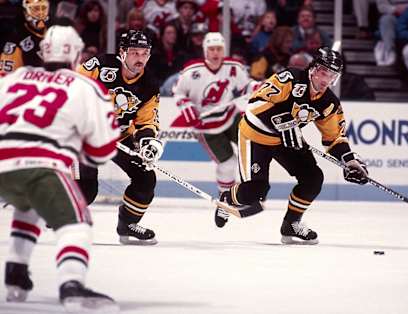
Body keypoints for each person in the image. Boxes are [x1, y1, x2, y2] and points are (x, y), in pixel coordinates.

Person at [0, 24, 119, 311]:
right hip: (43, 164)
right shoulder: (86, 86)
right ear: (77, 54)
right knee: (77, 223)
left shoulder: (13, 77)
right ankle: (72, 284)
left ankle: (16, 276)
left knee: (27, 206)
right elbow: (103, 149)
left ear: (43, 52)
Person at [214, 47, 369, 244]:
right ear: (313, 69)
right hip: (256, 134)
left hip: (287, 139)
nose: (325, 80)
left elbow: (335, 138)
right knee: (255, 192)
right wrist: (282, 121)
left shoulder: (329, 103)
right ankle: (227, 198)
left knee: (313, 177)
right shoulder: (289, 78)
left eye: (331, 76)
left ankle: (291, 224)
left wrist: (350, 161)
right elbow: (255, 104)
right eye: (323, 72)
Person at [77, 30, 163, 245]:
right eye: (134, 52)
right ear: (122, 52)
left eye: (144, 53)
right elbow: (70, 87)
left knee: (145, 178)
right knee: (87, 191)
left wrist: (147, 143)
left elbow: (146, 122)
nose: (140, 58)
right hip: (86, 136)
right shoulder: (99, 65)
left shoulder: (150, 85)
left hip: (119, 135)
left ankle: (127, 224)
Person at [173, 32, 258, 208]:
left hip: (231, 117)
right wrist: (186, 106)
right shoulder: (192, 71)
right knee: (228, 163)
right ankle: (226, 197)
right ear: (205, 51)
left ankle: (248, 192)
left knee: (253, 150)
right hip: (206, 128)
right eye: (211, 49)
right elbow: (179, 92)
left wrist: (257, 86)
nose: (215, 53)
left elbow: (245, 87)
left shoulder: (233, 67)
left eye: (219, 49)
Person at [0, 0, 50, 77]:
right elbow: (4, 78)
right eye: (36, 9)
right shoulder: (15, 41)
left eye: (43, 8)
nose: (41, 13)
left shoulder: (56, 33)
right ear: (25, 12)